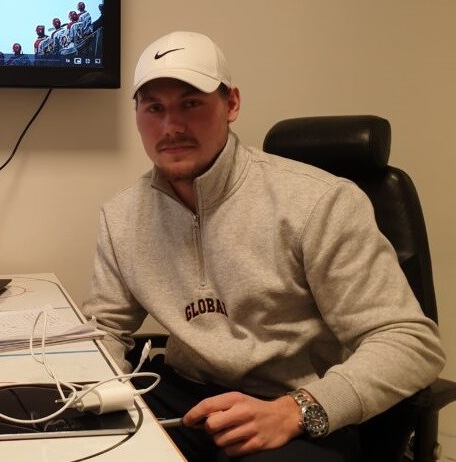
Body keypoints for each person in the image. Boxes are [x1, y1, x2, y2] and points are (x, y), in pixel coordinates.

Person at [81, 30, 445, 461]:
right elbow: (106, 329)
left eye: (191, 104)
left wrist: (299, 409)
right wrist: (89, 391)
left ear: (232, 104)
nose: (171, 126)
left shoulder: (319, 202)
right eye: (154, 108)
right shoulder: (122, 216)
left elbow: (410, 341)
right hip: (183, 398)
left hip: (291, 407)